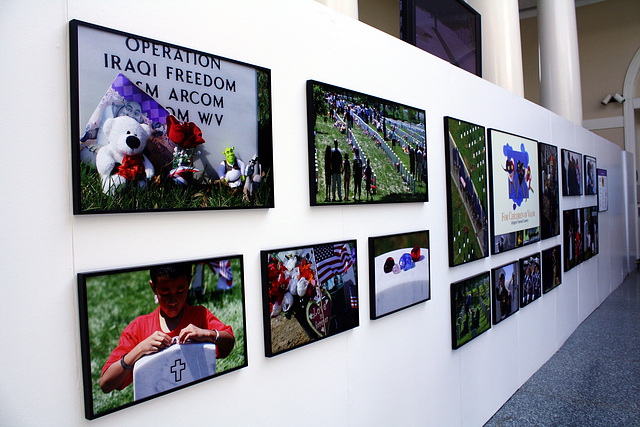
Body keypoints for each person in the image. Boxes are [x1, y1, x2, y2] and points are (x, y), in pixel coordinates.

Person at [100, 262, 235, 393]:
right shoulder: (139, 327)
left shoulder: (200, 316)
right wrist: (139, 350)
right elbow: (106, 385)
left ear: (189, 283)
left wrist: (208, 334)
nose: (173, 301)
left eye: (181, 291)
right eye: (165, 293)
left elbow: (229, 343)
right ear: (153, 288)